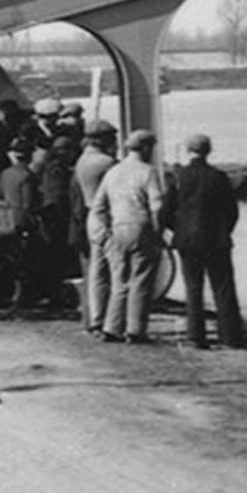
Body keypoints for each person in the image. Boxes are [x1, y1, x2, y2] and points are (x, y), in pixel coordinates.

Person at [89, 127, 167, 343]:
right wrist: (158, 232)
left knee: (119, 281)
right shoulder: (147, 171)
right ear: (145, 147)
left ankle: (112, 328)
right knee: (141, 279)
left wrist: (104, 231)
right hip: (140, 226)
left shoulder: (113, 172)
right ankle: (135, 330)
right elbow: (157, 206)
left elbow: (98, 206)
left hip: (117, 228)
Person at [168, 132, 244, 349]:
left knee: (193, 288)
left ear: (187, 150)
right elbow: (232, 211)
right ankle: (230, 337)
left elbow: (166, 212)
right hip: (217, 240)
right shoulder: (219, 177)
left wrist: (179, 230)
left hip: (187, 241)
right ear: (208, 151)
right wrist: (224, 230)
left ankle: (196, 337)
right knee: (223, 287)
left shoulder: (178, 178)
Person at [70, 119, 119, 334]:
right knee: (112, 272)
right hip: (105, 216)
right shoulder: (106, 163)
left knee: (94, 272)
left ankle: (93, 320)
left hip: (88, 218)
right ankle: (111, 322)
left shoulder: (82, 160)